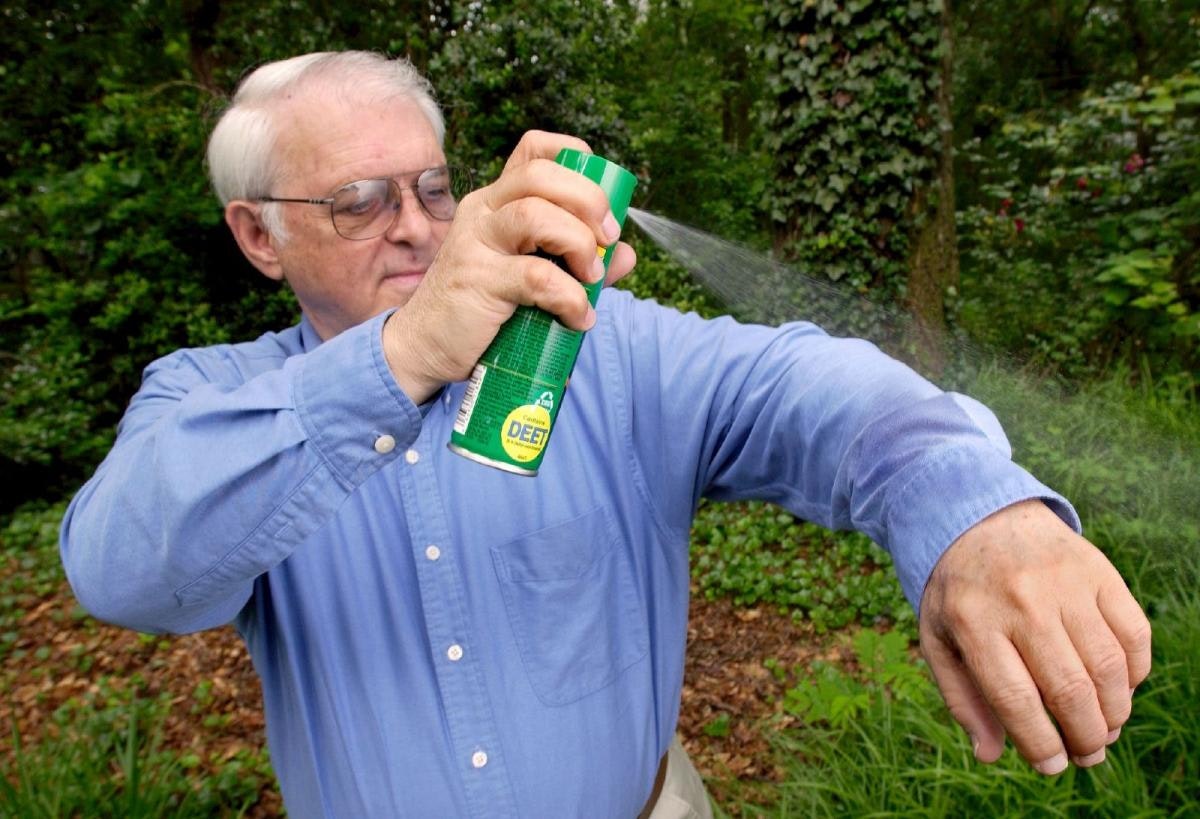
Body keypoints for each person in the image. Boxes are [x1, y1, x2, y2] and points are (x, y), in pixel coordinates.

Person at [60, 50, 1151, 818]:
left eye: (435, 187)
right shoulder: (214, 398)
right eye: (358, 200)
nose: (416, 226)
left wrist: (976, 514)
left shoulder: (597, 349)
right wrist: (402, 362)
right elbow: (124, 570)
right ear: (258, 236)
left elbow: (806, 387)